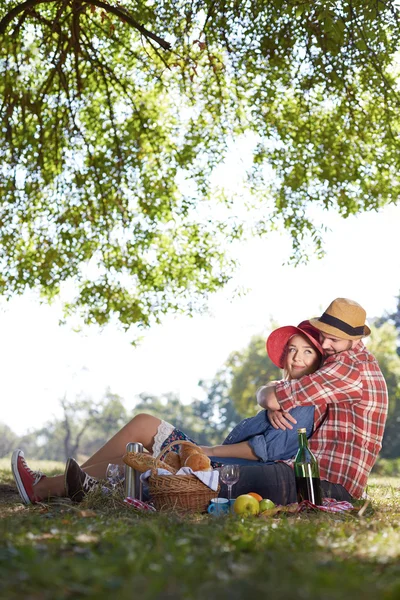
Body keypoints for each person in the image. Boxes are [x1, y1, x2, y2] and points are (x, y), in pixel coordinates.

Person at [11, 321, 324, 505]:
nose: (297, 356)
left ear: (316, 361)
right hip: (213, 459)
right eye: (293, 349)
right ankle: (63, 485)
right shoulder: (281, 391)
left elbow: (262, 451)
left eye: (307, 351)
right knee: (142, 427)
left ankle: (46, 488)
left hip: (219, 469)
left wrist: (207, 449)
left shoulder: (305, 403)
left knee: (141, 439)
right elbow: (266, 393)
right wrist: (268, 397)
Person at [230, 298, 388, 504]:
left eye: (333, 339)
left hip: (325, 482)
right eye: (323, 335)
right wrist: (274, 402)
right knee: (226, 470)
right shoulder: (354, 363)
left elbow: (271, 397)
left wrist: (274, 400)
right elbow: (280, 390)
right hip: (313, 473)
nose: (324, 344)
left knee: (225, 480)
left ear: (355, 340)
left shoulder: (348, 366)